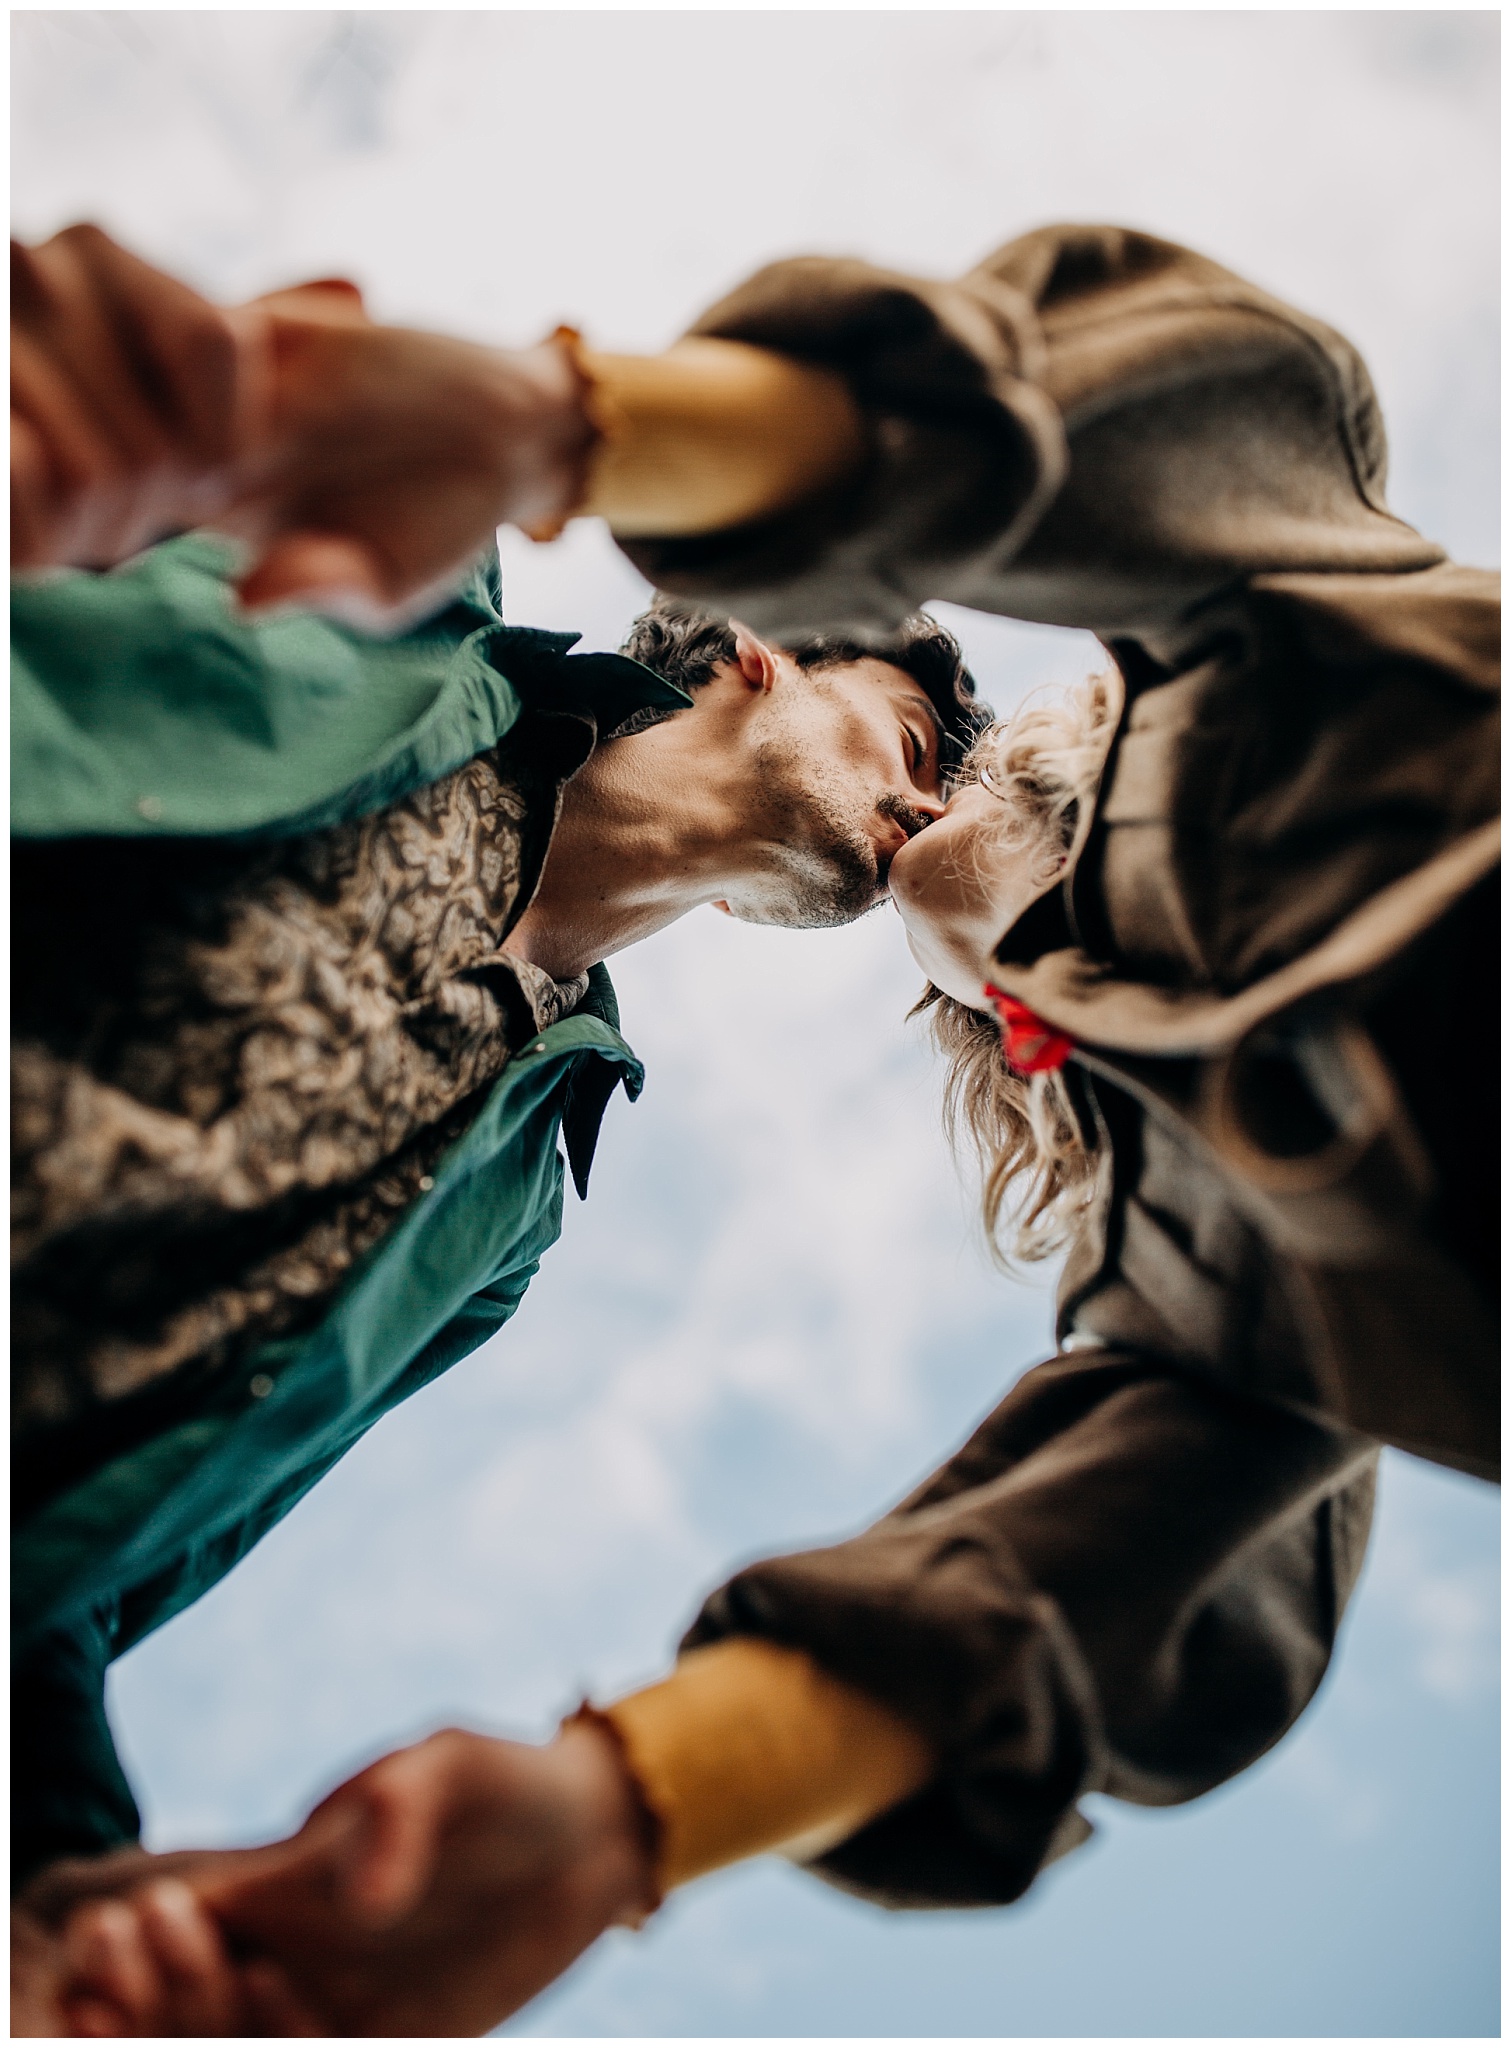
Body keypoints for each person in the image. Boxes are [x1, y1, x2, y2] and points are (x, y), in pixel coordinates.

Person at [20, 222, 1497, 2034]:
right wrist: (560, 426)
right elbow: (1203, 431)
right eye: (916, 736)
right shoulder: (390, 596)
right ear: (767, 645)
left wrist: (58, 1892)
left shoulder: (504, 1224)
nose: (931, 799)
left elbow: (88, 1547)